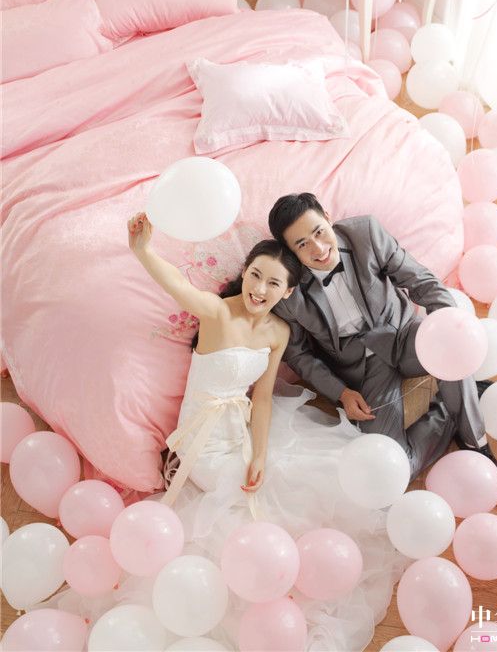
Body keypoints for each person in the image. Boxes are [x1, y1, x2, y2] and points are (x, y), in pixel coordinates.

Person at [121, 212, 404, 650]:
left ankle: (311, 571)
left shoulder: (278, 331)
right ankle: (274, 589)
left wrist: (257, 452)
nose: (259, 289)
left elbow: (265, 398)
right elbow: (176, 284)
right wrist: (142, 250)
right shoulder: (218, 312)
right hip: (205, 441)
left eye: (273, 283)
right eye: (255, 275)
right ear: (245, 273)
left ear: (287, 292)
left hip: (243, 428)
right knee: (255, 502)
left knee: (298, 470)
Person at [268, 192, 497, 499]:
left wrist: (450, 325)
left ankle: (475, 440)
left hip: (403, 335)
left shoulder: (365, 233)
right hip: (362, 370)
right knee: (391, 470)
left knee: (453, 352)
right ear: (290, 251)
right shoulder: (287, 290)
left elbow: (421, 281)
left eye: (319, 232)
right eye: (302, 244)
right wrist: (340, 393)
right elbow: (299, 355)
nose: (318, 248)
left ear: (328, 217)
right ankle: (452, 409)